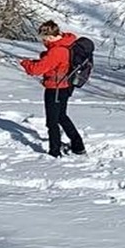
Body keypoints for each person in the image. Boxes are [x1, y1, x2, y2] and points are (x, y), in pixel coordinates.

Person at [20, 20, 85, 158]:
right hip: (66, 86)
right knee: (62, 116)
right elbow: (52, 64)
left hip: (55, 87)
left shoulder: (57, 50)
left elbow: (36, 70)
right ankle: (78, 145)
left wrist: (25, 63)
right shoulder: (68, 42)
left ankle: (54, 151)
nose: (43, 42)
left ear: (49, 36)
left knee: (52, 121)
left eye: (44, 39)